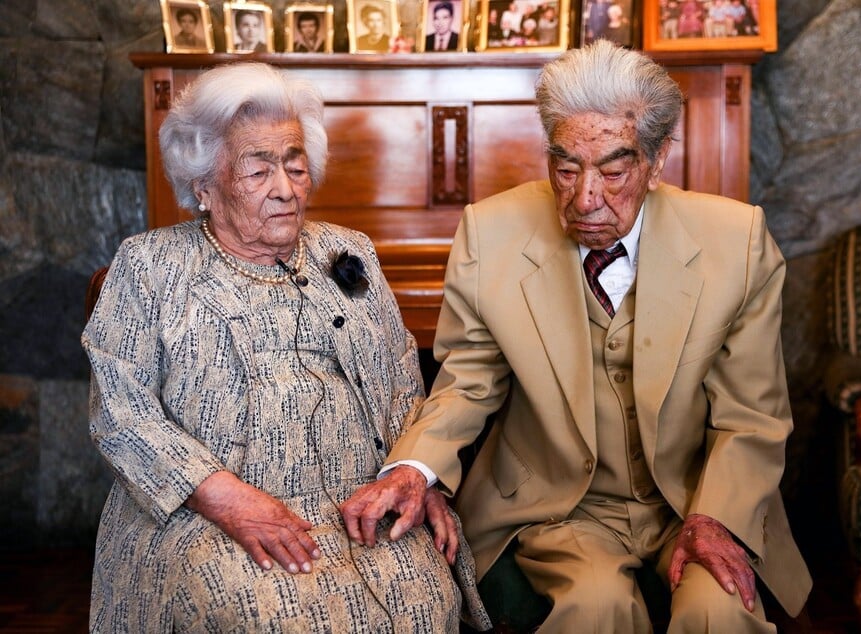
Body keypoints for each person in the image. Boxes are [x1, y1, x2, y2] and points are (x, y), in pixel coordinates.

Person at [340, 41, 813, 632]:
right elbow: (466, 383)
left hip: (692, 499)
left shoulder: (736, 241)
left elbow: (752, 415)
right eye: (565, 169)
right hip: (558, 508)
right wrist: (414, 468)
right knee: (593, 608)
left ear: (658, 158)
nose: (585, 199)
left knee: (719, 610)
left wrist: (714, 517)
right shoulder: (491, 234)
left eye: (613, 172)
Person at [82, 62, 490, 632]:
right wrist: (227, 501)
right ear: (203, 184)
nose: (286, 188)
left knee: (422, 600)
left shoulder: (348, 252)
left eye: (295, 166)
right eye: (258, 170)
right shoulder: (150, 267)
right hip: (208, 516)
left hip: (359, 505)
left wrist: (416, 481)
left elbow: (402, 378)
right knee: (274, 616)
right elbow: (122, 416)